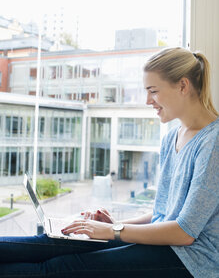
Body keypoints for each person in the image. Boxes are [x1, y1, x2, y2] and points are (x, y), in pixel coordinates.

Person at [0, 47, 218, 278]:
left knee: (61, 267)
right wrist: (112, 225)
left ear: (183, 86)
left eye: (153, 91)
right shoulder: (172, 136)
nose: (147, 100)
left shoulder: (212, 142)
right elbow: (162, 212)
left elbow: (185, 232)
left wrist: (112, 231)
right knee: (52, 243)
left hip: (193, 259)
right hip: (166, 244)